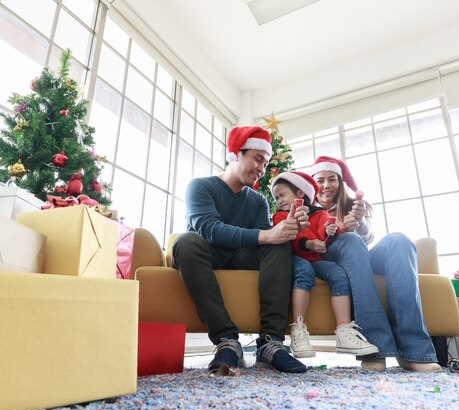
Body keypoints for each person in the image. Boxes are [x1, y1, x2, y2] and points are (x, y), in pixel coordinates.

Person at [172, 126, 309, 375]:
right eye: (257, 159)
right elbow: (209, 229)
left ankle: (270, 343)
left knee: (278, 246)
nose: (261, 168)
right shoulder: (200, 187)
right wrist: (268, 234)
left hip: (241, 256)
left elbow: (264, 242)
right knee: (186, 241)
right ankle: (226, 340)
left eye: (266, 164)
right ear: (236, 154)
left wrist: (287, 231)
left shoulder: (257, 201)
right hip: (205, 255)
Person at [310, 156, 442, 373]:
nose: (326, 185)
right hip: (327, 260)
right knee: (350, 240)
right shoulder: (307, 209)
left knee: (399, 240)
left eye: (332, 179)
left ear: (340, 182)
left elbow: (368, 239)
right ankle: (375, 349)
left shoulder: (353, 206)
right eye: (320, 180)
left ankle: (414, 352)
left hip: (359, 258)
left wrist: (359, 224)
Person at [270, 171, 379, 359]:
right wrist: (308, 243)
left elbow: (328, 230)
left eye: (282, 195)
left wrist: (330, 231)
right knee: (303, 272)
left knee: (338, 274)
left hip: (317, 259)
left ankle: (344, 331)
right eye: (276, 197)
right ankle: (298, 330)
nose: (279, 200)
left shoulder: (320, 213)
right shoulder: (280, 216)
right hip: (295, 257)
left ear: (300, 193)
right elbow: (290, 237)